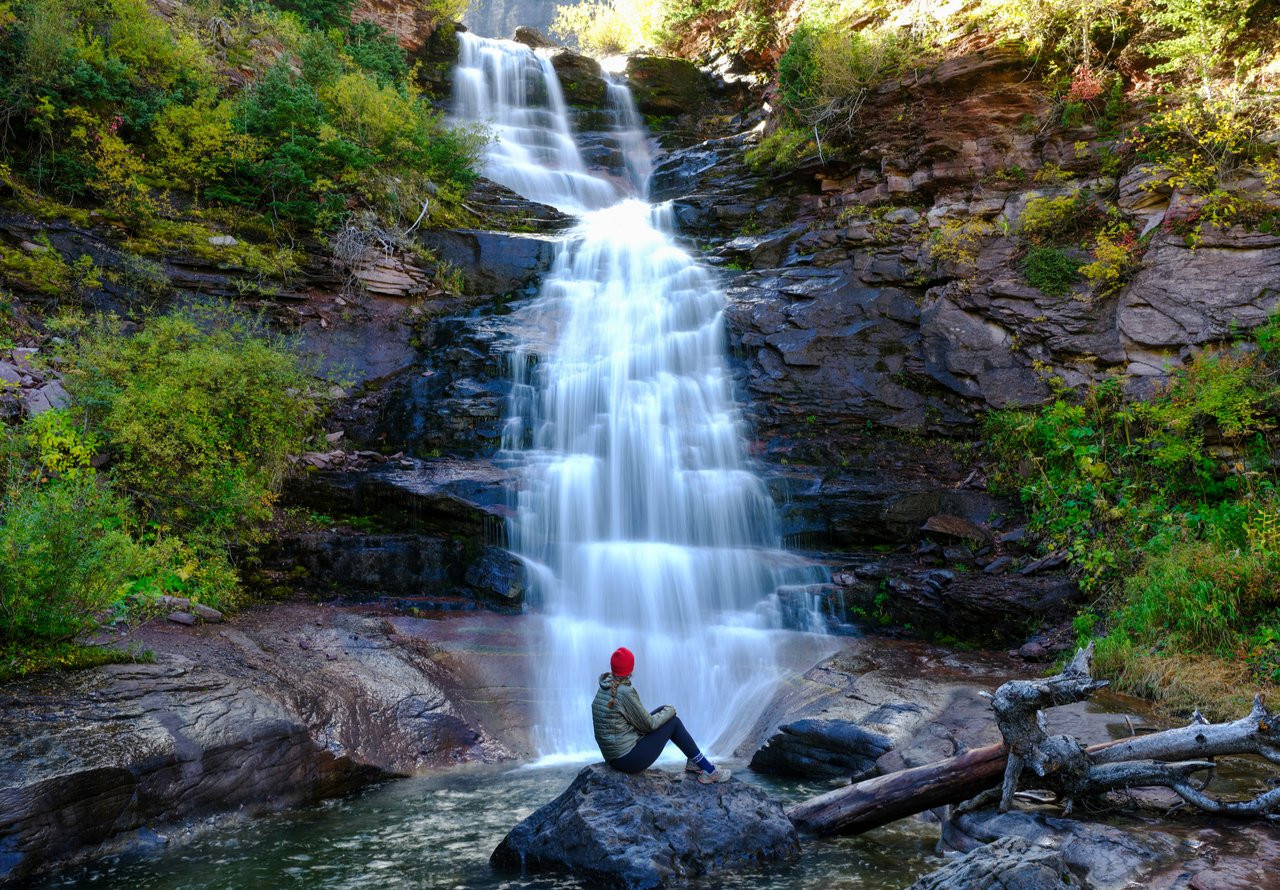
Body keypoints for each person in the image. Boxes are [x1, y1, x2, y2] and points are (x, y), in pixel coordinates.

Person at [591, 646, 730, 783]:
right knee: (673, 722)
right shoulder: (624, 692)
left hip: (614, 757)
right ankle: (709, 771)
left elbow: (638, 722)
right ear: (631, 668)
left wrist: (665, 711)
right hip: (628, 760)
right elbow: (649, 725)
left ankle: (694, 762)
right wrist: (671, 709)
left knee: (663, 711)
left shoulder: (605, 686)